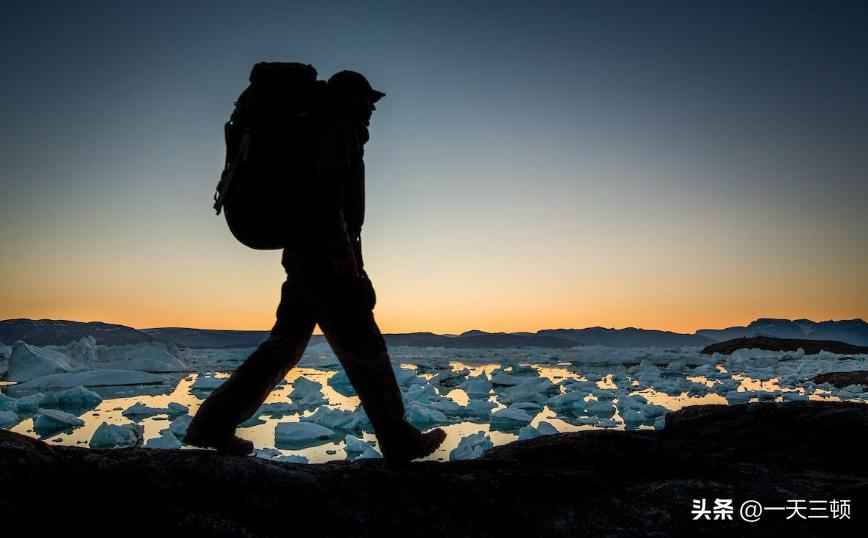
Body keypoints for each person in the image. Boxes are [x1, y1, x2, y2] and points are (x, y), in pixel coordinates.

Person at [184, 70, 446, 464]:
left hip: (305, 253)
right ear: (349, 96)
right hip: (324, 256)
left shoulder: (317, 127)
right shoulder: (340, 127)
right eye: (367, 98)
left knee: (284, 345)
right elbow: (328, 192)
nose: (373, 106)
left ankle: (212, 424)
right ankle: (398, 440)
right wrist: (344, 256)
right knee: (364, 346)